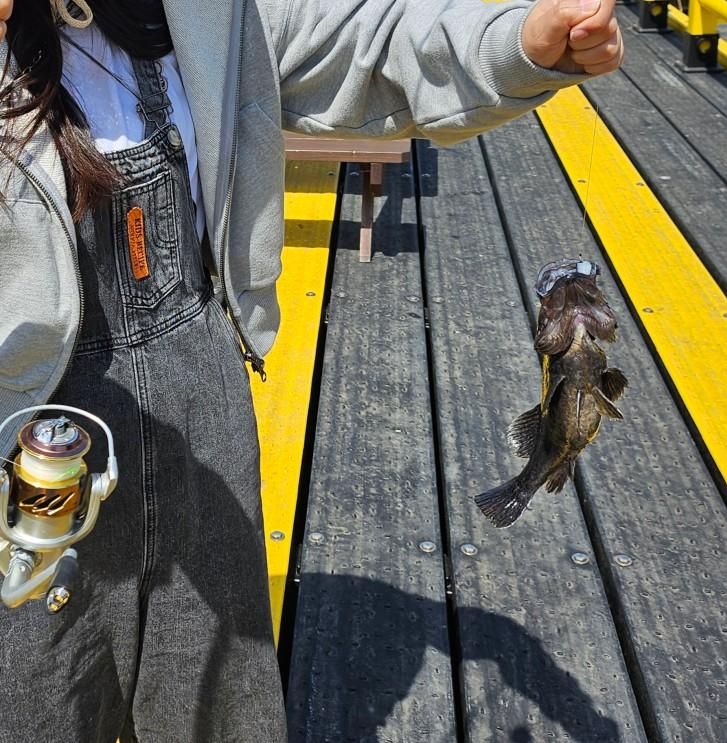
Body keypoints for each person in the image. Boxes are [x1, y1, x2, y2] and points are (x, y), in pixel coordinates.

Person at [0, 0, 622, 740]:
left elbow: (368, 42)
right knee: (39, 697)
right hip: (22, 445)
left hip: (203, 419)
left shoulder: (209, 13)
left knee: (220, 707)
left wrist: (524, 42)